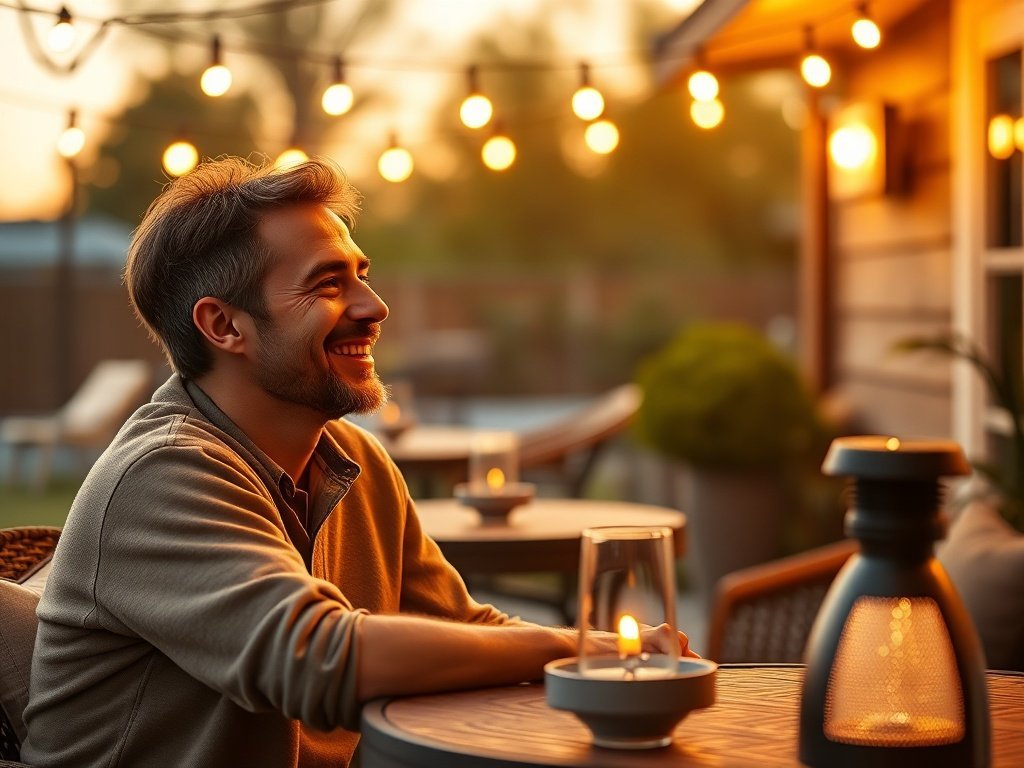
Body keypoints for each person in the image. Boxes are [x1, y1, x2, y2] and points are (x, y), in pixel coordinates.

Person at [22, 156, 692, 768]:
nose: (374, 308)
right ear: (224, 327)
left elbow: (461, 628)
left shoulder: (353, 460)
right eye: (327, 285)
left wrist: (611, 655)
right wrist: (575, 650)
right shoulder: (161, 474)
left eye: (361, 275)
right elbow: (322, 660)